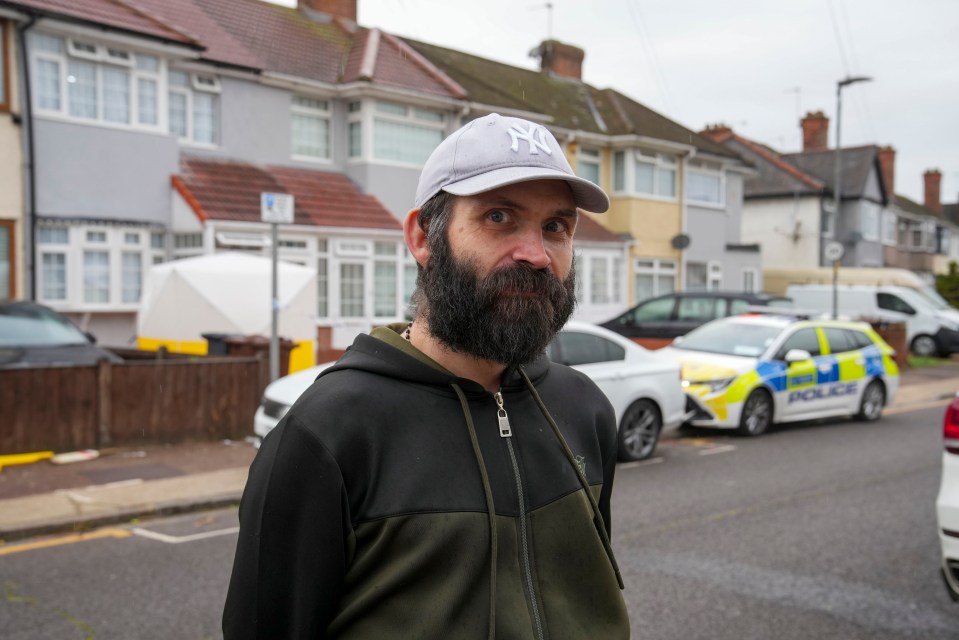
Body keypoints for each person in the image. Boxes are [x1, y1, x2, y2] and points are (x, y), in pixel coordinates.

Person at [223, 113, 630, 639]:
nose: (535, 254)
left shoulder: (584, 410)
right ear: (422, 238)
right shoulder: (326, 435)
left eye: (555, 226)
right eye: (499, 217)